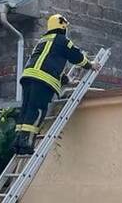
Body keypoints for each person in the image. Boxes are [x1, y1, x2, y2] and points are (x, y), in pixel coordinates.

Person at [13, 14, 94, 155]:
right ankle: (27, 143)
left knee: (26, 109)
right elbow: (76, 56)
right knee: (37, 110)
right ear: (62, 26)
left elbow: (48, 63)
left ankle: (18, 142)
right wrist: (90, 65)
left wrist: (66, 80)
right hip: (43, 81)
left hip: (28, 77)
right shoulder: (63, 41)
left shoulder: (43, 41)